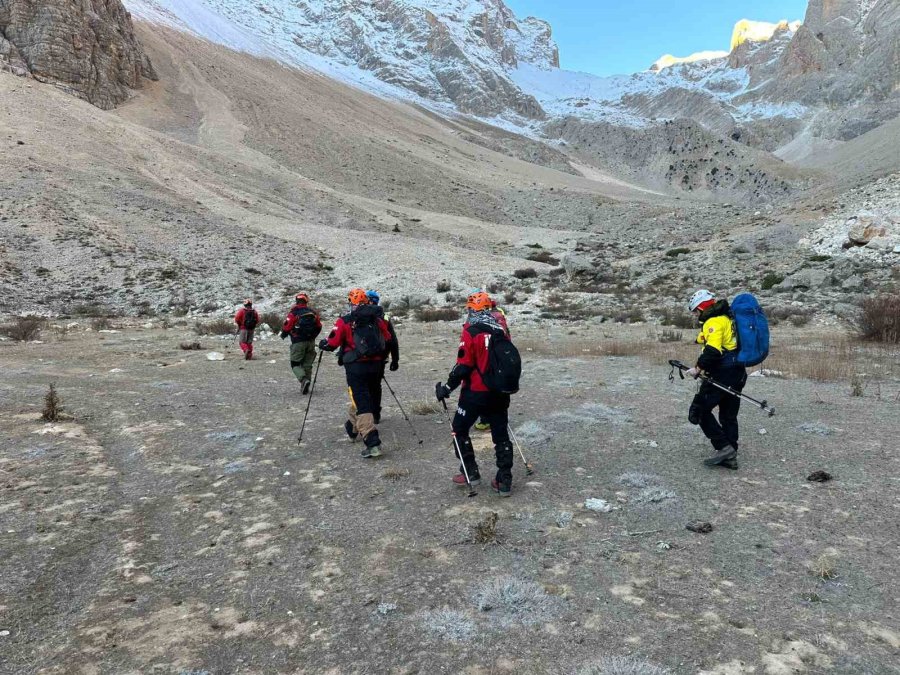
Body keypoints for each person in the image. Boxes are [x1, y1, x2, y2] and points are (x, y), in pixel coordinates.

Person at [435, 291, 517, 497]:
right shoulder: (500, 329)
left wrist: (446, 388)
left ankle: (470, 471)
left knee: (459, 429)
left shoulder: (471, 331)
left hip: (475, 392)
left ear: (472, 310)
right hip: (499, 392)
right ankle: (504, 479)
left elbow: (463, 365)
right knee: (500, 435)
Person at [319, 288, 394, 458]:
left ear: (350, 302)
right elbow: (387, 338)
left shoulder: (345, 321)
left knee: (361, 401)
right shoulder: (377, 319)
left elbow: (332, 342)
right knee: (363, 398)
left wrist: (324, 344)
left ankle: (372, 442)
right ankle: (352, 428)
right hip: (376, 365)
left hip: (355, 367)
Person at [685, 289, 747, 470]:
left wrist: (698, 369)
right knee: (728, 414)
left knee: (699, 411)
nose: (695, 315)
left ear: (702, 307)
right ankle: (730, 456)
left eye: (696, 311)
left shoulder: (713, 321)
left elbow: (713, 350)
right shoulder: (727, 319)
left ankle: (724, 447)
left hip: (722, 374)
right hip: (738, 372)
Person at [474, 298, 510, 432]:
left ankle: (485, 420)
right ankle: (501, 417)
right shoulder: (500, 313)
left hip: (488, 353)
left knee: (484, 384)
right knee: (499, 386)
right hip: (503, 352)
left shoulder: (485, 316)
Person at [366, 290, 400, 424]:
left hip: (361, 358)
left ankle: (364, 413)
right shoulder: (384, 317)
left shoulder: (358, 315)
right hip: (380, 357)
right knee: (376, 386)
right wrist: (395, 360)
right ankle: (375, 413)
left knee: (362, 386)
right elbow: (392, 340)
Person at [279, 293, 322, 394]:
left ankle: (303, 380)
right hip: (311, 342)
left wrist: (284, 334)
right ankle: (307, 384)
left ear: (297, 301)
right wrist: (313, 337)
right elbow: (319, 326)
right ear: (306, 301)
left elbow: (287, 326)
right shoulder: (313, 312)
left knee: (295, 363)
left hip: (298, 342)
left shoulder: (294, 313)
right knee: (308, 364)